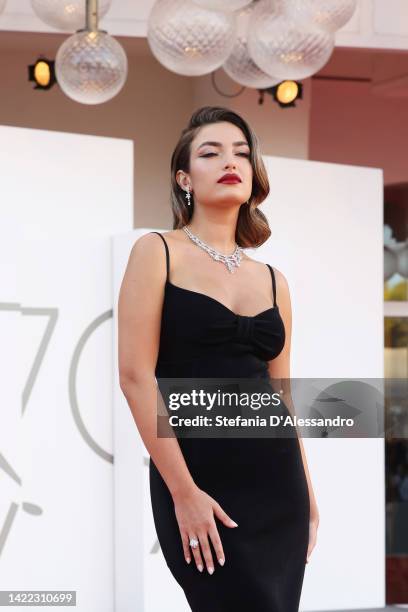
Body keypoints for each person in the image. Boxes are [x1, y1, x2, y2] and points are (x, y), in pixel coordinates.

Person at [118, 106, 319, 611]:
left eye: (242, 153)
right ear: (184, 177)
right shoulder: (156, 251)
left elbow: (282, 395)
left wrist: (308, 492)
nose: (230, 161)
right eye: (211, 152)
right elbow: (136, 377)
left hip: (278, 484)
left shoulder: (275, 280)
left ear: (253, 177)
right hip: (198, 475)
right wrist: (183, 492)